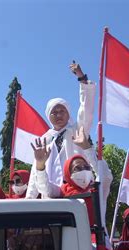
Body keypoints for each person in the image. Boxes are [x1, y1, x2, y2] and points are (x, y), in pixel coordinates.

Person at [26, 62, 97, 199]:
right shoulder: (44, 140)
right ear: (49, 116)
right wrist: (28, 201)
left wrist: (82, 79)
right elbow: (35, 173)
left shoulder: (77, 130)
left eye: (62, 111)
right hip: (50, 195)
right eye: (54, 112)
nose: (58, 115)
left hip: (77, 192)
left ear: (68, 113)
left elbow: (86, 110)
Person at [31, 140, 112, 228]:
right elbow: (44, 188)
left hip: (95, 239)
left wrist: (87, 148)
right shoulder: (62, 190)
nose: (84, 170)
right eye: (77, 168)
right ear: (68, 174)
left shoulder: (98, 189)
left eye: (87, 167)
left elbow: (106, 176)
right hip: (71, 238)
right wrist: (40, 164)